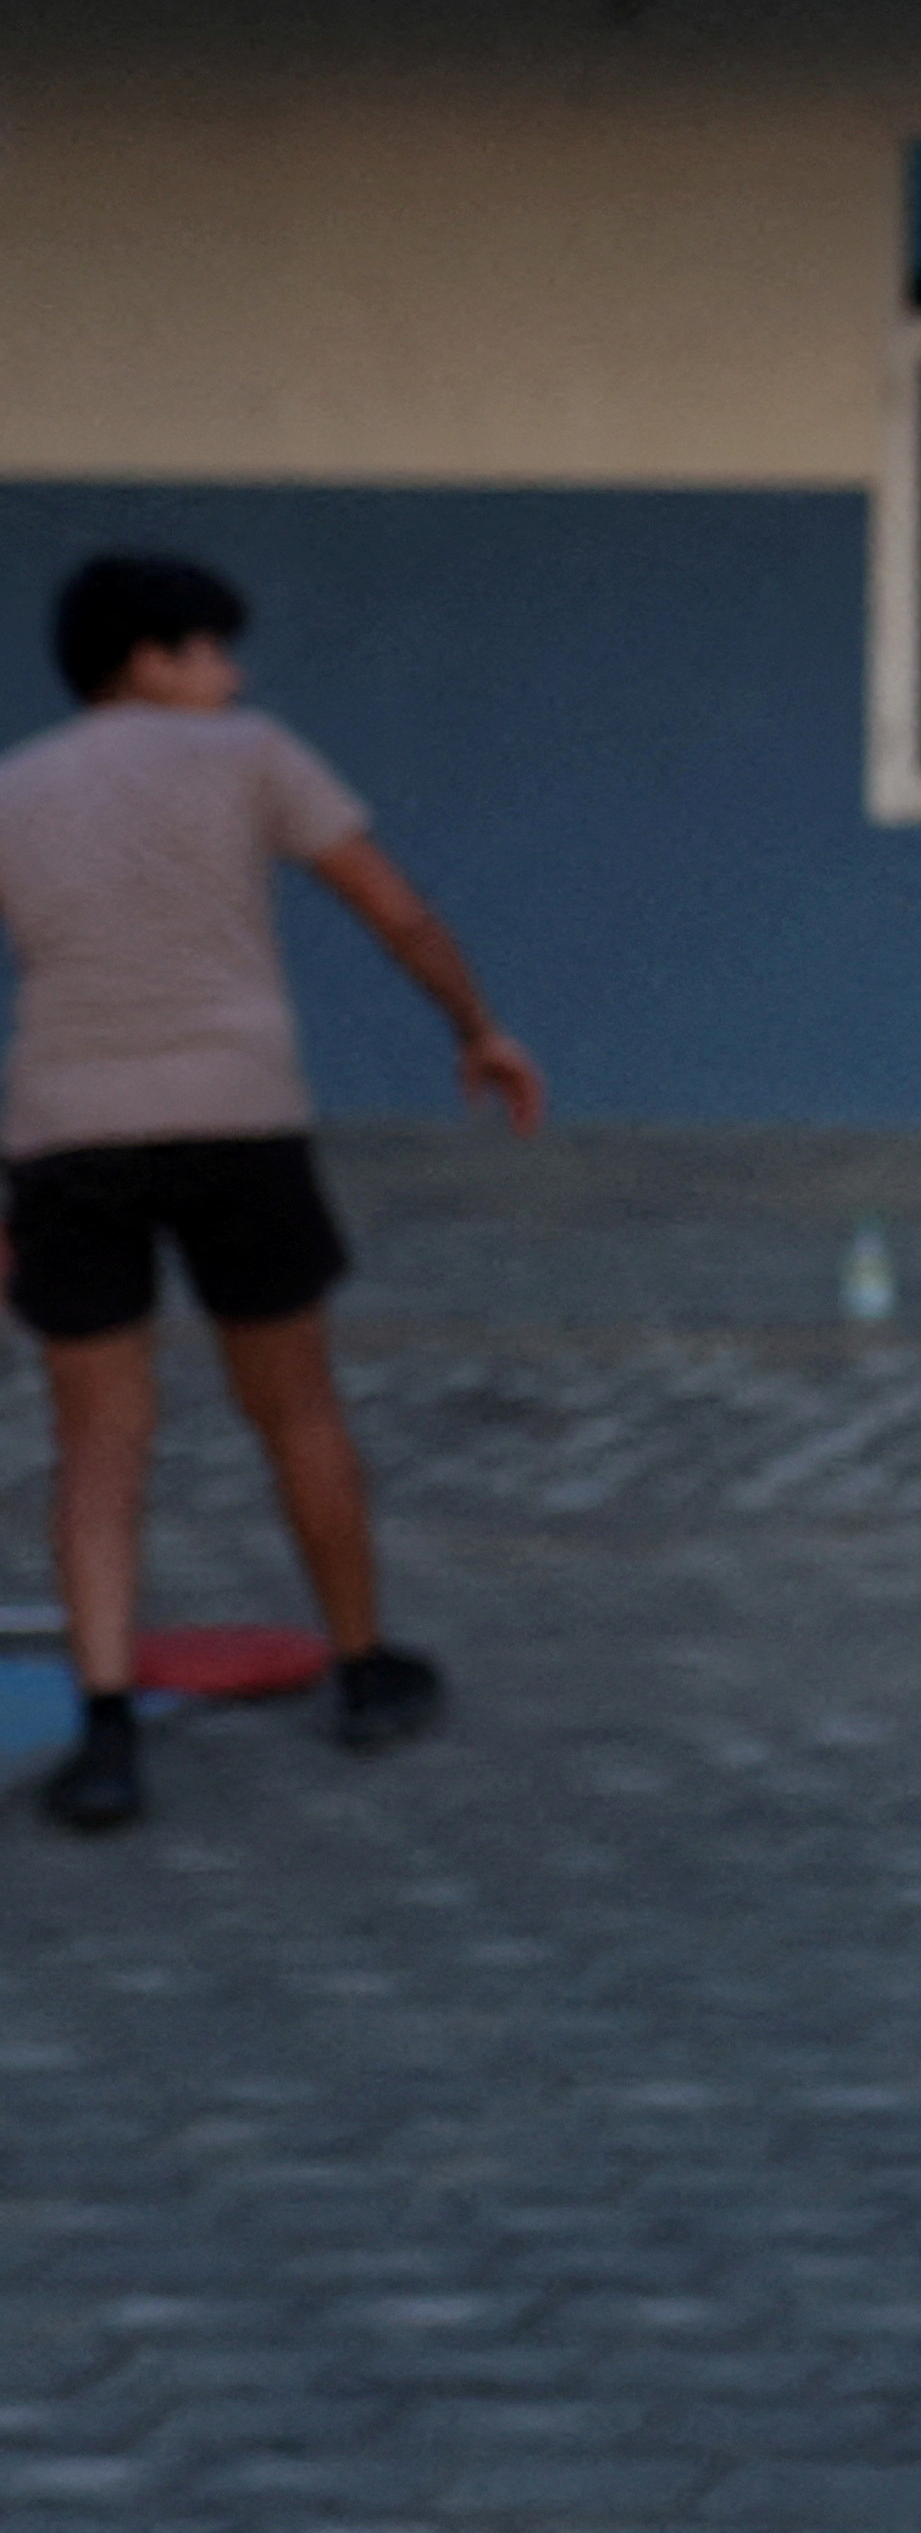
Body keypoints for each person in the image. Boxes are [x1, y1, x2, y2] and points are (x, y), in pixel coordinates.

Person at [0, 554, 536, 1832]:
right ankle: (362, 1670)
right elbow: (394, 909)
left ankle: (109, 1731)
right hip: (239, 1121)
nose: (231, 676)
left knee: (98, 1441)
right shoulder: (252, 755)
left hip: (69, 1134)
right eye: (211, 651)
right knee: (294, 1407)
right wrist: (475, 1027)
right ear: (149, 659)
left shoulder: (14, 788)